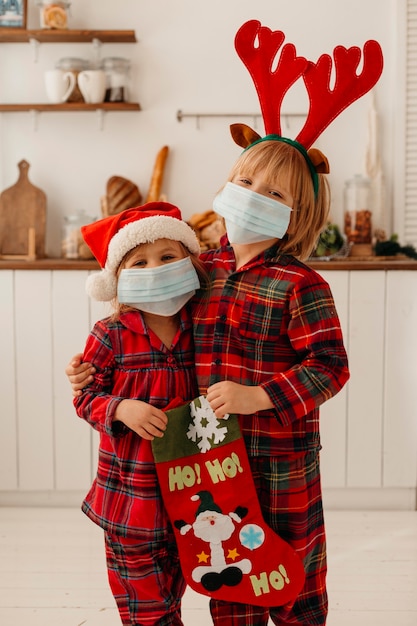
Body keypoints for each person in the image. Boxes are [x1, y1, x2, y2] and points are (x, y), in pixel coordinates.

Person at [67, 133, 349, 625]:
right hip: (217, 464)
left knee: (294, 576)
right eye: (246, 180)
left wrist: (259, 396)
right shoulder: (202, 271)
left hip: (282, 461)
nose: (256, 194)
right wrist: (93, 373)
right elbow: (151, 323)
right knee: (233, 573)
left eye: (276, 193)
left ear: (298, 213)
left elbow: (329, 366)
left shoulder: (301, 284)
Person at [70, 201, 208, 626]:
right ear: (117, 279)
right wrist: (120, 407)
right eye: (139, 262)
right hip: (131, 497)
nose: (155, 269)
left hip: (190, 497)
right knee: (145, 608)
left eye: (168, 257)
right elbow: (85, 396)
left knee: (176, 591)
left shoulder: (203, 325)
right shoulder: (109, 334)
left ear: (189, 262)